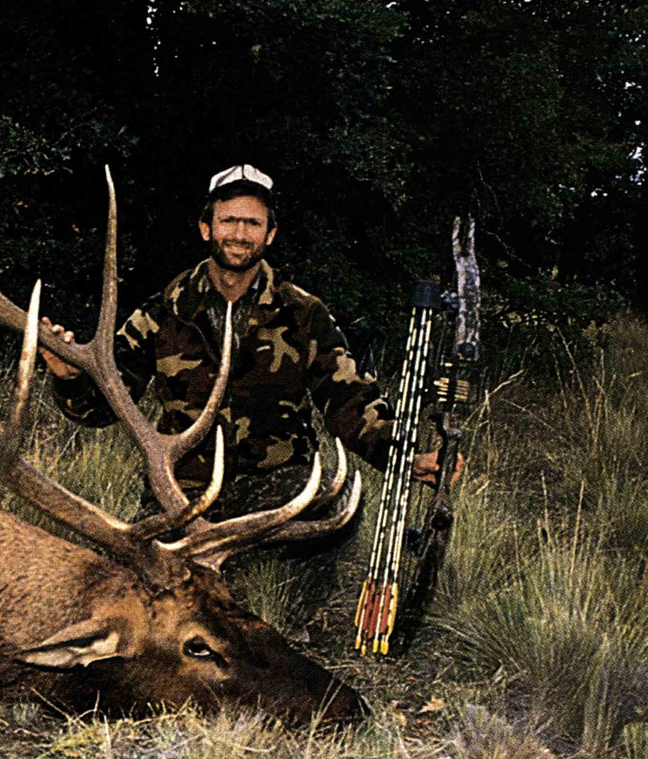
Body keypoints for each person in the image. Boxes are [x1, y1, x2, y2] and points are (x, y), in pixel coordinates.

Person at [42, 164, 453, 544]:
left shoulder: (303, 313)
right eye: (229, 221)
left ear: (269, 234)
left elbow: (349, 400)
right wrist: (69, 377)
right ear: (206, 228)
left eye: (252, 223)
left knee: (334, 505)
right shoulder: (163, 311)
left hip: (275, 487)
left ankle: (303, 610)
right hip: (183, 492)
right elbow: (104, 407)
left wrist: (405, 454)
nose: (239, 233)